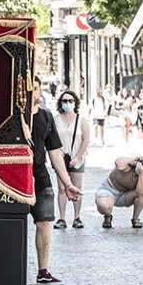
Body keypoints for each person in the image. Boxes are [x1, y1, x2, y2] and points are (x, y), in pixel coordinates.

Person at [30, 77, 82, 285]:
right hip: (13, 178)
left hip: (39, 176)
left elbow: (55, 153)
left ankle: (43, 271)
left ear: (39, 91)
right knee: (13, 224)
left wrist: (68, 183)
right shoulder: (12, 117)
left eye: (34, 89)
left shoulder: (45, 116)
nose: (30, 92)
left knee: (43, 222)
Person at [52, 90, 89, 230]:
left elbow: (86, 139)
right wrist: (58, 152)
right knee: (61, 188)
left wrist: (78, 156)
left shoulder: (82, 120)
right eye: (65, 101)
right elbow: (52, 139)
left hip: (78, 158)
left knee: (77, 187)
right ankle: (61, 218)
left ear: (75, 103)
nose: (68, 103)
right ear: (61, 103)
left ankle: (77, 217)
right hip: (60, 158)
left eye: (70, 101)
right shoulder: (55, 120)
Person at [95, 156, 143, 229]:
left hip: (125, 196)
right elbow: (118, 163)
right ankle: (107, 216)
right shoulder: (127, 166)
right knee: (104, 207)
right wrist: (136, 159)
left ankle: (135, 218)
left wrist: (141, 174)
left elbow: (140, 192)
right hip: (109, 190)